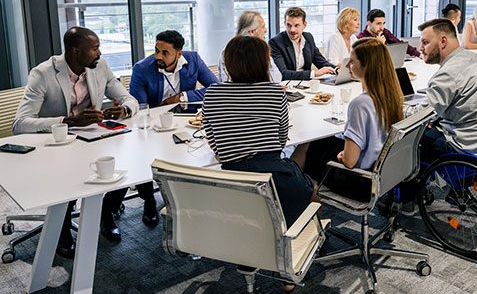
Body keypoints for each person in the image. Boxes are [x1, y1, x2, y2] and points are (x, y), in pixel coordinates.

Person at [13, 27, 139, 256]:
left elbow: (130, 99)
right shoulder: (42, 74)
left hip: (93, 139)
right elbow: (20, 123)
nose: (100, 53)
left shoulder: (99, 67)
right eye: (94, 48)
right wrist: (69, 121)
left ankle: (106, 213)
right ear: (75, 51)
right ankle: (61, 229)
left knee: (125, 166)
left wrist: (122, 110)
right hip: (56, 144)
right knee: (67, 182)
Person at [202, 36, 313, 228]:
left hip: (234, 183)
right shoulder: (275, 92)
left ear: (228, 63)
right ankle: (312, 234)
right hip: (275, 180)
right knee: (309, 182)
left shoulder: (212, 93)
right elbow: (280, 141)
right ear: (263, 62)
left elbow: (214, 143)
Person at [130, 30, 218, 227]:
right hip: (153, 127)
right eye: (156, 50)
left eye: (165, 52)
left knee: (197, 151)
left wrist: (182, 98)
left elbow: (216, 87)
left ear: (179, 54)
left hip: (184, 121)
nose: (158, 56)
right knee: (146, 157)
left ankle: (188, 198)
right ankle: (148, 200)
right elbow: (140, 108)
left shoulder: (193, 59)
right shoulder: (142, 69)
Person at [300, 38, 404, 193]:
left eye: (352, 62)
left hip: (359, 180)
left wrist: (343, 155)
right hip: (382, 172)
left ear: (367, 66)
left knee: (307, 146)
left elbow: (349, 162)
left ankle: (299, 195)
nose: (347, 65)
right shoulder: (392, 94)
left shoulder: (360, 104)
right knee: (322, 141)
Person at [411, 18, 477, 157]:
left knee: (410, 143)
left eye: (425, 43)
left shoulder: (448, 73)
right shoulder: (476, 60)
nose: (420, 48)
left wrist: (393, 108)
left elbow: (418, 117)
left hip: (468, 147)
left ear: (443, 41)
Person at [269, 7, 336, 80]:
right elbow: (282, 73)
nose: (292, 30)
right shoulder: (275, 42)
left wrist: (337, 70)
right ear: (284, 23)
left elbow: (321, 62)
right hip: (288, 85)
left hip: (306, 84)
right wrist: (314, 73)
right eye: (289, 25)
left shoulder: (308, 38)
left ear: (304, 25)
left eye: (296, 25)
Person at [219, 10, 282, 83]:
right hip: (259, 93)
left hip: (233, 93)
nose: (266, 30)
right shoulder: (262, 52)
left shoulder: (226, 52)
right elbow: (275, 79)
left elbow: (225, 82)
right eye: (263, 27)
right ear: (252, 32)